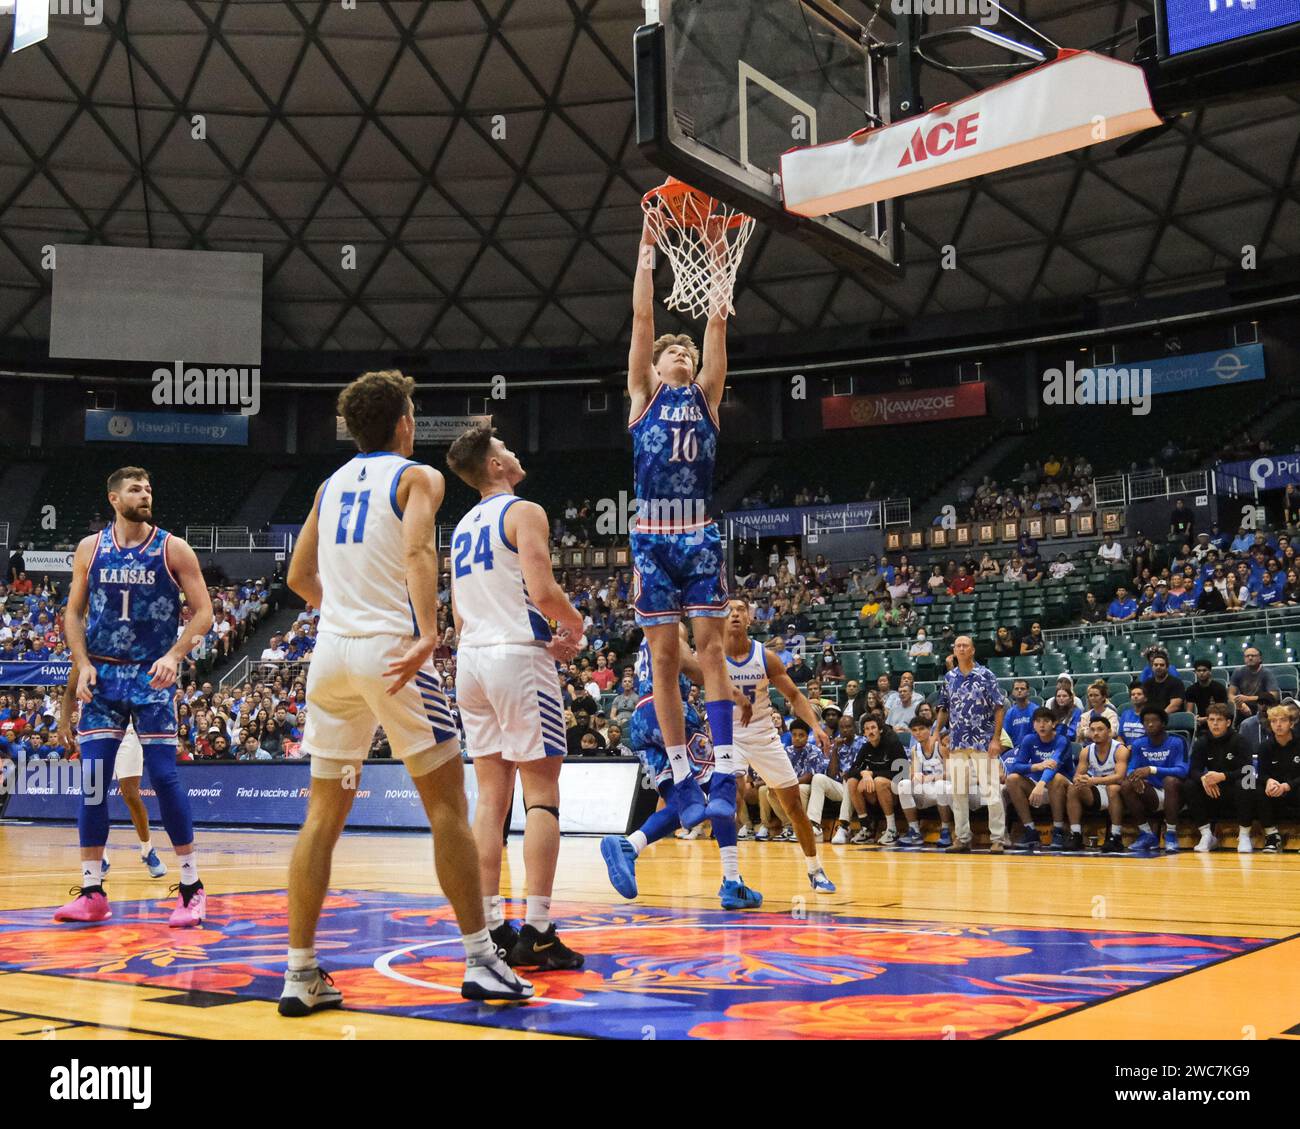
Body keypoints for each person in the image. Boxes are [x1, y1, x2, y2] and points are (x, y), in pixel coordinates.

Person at [280, 374, 530, 1015]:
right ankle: (480, 960)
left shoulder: (327, 485)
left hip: (332, 655)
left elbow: (297, 576)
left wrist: (347, 621)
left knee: (320, 818)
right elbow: (419, 548)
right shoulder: (418, 477)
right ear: (404, 423)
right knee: (448, 804)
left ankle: (301, 973)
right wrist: (425, 630)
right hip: (393, 650)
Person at [445, 424, 589, 974]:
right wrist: (575, 626)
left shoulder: (460, 529)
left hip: (473, 661)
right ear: (495, 467)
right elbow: (544, 591)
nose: (514, 451)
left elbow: (459, 615)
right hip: (516, 660)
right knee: (542, 794)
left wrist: (535, 633)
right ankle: (540, 931)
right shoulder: (523, 511)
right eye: (505, 448)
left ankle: (492, 927)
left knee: (490, 800)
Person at [55, 466, 212, 927]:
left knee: (163, 778)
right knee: (91, 784)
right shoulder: (90, 548)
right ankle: (91, 891)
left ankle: (190, 887)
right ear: (113, 498)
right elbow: (73, 612)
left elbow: (203, 611)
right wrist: (82, 663)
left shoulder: (172, 547)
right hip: (102, 676)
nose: (145, 494)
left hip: (151, 676)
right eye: (135, 489)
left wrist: (176, 653)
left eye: (148, 488)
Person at [626, 208, 739, 839]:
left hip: (697, 532)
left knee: (714, 650)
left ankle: (722, 774)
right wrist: (649, 247)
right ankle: (684, 779)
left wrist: (716, 248)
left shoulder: (707, 394)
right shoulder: (642, 394)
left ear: (689, 364)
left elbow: (716, 317)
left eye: (679, 349)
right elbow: (643, 318)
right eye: (667, 348)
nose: (672, 350)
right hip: (651, 535)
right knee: (663, 659)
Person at [601, 627, 762, 908]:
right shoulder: (671, 629)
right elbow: (696, 670)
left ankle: (630, 846)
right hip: (670, 712)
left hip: (640, 722)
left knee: (682, 803)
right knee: (721, 790)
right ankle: (733, 880)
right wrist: (732, 692)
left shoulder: (646, 639)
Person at [723, 600, 835, 891]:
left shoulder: (766, 656)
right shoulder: (713, 656)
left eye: (740, 609)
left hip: (763, 735)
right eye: (728, 609)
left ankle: (815, 869)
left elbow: (796, 696)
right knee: (731, 800)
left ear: (750, 618)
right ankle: (731, 876)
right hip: (729, 735)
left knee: (794, 805)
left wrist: (815, 727)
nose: (734, 613)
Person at [57, 661, 167, 881]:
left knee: (130, 793)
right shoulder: (85, 654)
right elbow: (70, 691)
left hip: (128, 731)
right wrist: (63, 724)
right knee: (95, 794)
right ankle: (101, 857)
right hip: (96, 730)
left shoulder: (133, 652)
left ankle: (147, 850)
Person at [935, 636, 1007, 853]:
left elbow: (999, 707)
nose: (962, 648)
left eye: (965, 645)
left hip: (983, 741)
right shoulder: (949, 677)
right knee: (958, 792)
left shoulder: (986, 675)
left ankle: (997, 839)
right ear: (954, 651)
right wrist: (937, 732)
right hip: (957, 743)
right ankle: (963, 837)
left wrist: (996, 739)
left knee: (991, 791)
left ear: (973, 650)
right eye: (958, 645)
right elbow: (944, 707)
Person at [1121, 707, 1190, 854]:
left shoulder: (1178, 741)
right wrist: (1134, 777)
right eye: (1146, 721)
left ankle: (1170, 834)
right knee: (1127, 784)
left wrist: (1152, 770)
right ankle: (1146, 834)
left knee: (1170, 780)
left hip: (1177, 794)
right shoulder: (1139, 744)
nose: (1150, 724)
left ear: (1163, 723)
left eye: (1154, 721)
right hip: (1153, 794)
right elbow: (1131, 768)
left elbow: (1183, 770)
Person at [1189, 704, 1254, 854]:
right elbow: (1193, 770)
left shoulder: (1240, 740)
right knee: (1190, 784)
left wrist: (1223, 776)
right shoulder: (1202, 742)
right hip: (1213, 790)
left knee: (1246, 783)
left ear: (1228, 722)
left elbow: (1248, 770)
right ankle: (1206, 835)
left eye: (1219, 720)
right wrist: (1204, 778)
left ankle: (1244, 835)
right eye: (1211, 720)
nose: (1215, 723)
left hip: (1233, 787)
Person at [1005, 708, 1074, 851]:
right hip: (1039, 786)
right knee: (1012, 779)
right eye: (1038, 721)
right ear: (1033, 724)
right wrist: (1037, 766)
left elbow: (1053, 765)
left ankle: (1058, 830)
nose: (1042, 725)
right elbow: (1016, 766)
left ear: (1054, 724)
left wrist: (1041, 784)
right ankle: (1030, 830)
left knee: (1056, 778)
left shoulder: (1062, 741)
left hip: (1063, 787)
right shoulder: (1029, 739)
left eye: (1046, 721)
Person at [1067, 716, 1128, 853]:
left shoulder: (1119, 749)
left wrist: (1093, 780)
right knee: (1073, 787)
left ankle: (1115, 836)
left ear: (1109, 731)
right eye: (1092, 730)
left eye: (1100, 729)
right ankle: (1075, 834)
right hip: (1098, 791)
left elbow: (1120, 777)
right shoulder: (1086, 750)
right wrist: (1079, 779)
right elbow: (1078, 775)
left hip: (1119, 792)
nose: (1095, 733)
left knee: (1112, 788)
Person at [844, 716, 908, 845]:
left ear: (881, 730)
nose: (870, 731)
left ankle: (892, 829)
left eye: (873, 728)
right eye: (867, 729)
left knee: (879, 781)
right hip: (876, 793)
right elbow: (850, 771)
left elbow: (902, 773)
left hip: (897, 789)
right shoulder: (866, 748)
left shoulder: (893, 743)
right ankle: (866, 828)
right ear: (864, 732)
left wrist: (872, 774)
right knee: (852, 781)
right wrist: (864, 773)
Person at [897, 717, 954, 848]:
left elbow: (951, 774)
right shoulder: (914, 749)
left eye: (922, 729)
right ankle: (914, 831)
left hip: (945, 789)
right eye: (914, 730)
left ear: (930, 730)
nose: (918, 733)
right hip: (926, 791)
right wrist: (914, 777)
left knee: (941, 786)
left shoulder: (940, 747)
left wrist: (932, 777)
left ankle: (945, 830)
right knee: (903, 784)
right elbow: (914, 774)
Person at [1258, 704, 1299, 853]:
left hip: (1295, 788)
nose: (1278, 724)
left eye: (1282, 720)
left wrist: (1287, 785)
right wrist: (1269, 781)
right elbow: (1261, 773)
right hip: (1276, 791)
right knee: (1257, 788)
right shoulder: (1265, 747)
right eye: (1274, 721)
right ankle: (1272, 836)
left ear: (1291, 723)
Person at [1228, 647, 1280, 726]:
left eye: (1253, 655)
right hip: (1243, 706)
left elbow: (1274, 696)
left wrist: (1248, 698)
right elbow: (1230, 694)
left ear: (1260, 658)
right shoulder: (1238, 672)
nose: (1250, 658)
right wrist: (1241, 705)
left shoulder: (1267, 673)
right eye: (1247, 656)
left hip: (1263, 705)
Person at [1184, 659, 1228, 729]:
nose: (1201, 673)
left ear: (1210, 672)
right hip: (1198, 722)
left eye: (1204, 670)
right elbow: (1189, 710)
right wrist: (1193, 718)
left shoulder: (1219, 688)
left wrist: (1206, 719)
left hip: (1216, 721)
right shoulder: (1191, 689)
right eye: (1198, 671)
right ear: (1195, 672)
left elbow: (1222, 711)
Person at [1141, 649, 1186, 714]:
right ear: (1152, 667)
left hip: (1171, 717)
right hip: (1152, 717)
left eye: (1162, 665)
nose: (1158, 667)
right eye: (1155, 665)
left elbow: (1175, 706)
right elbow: (1143, 703)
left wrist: (1160, 716)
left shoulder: (1176, 683)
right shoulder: (1147, 683)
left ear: (1167, 668)